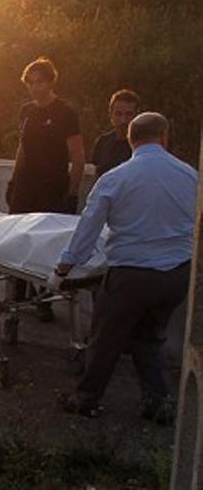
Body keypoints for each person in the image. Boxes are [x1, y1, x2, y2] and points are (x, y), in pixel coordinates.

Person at [50, 112, 196, 424]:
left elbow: (88, 228)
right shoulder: (190, 175)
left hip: (132, 275)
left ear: (130, 139)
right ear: (164, 137)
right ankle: (159, 402)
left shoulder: (116, 178)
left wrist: (64, 268)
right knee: (148, 336)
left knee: (105, 339)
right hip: (176, 275)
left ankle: (85, 399)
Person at [6, 57, 86, 322]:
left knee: (46, 244)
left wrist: (73, 192)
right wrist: (13, 180)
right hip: (25, 186)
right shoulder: (26, 111)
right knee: (18, 238)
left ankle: (44, 299)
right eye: (30, 82)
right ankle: (15, 296)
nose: (35, 87)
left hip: (53, 187)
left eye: (40, 81)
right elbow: (22, 148)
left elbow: (77, 155)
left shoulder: (66, 113)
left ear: (51, 81)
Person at [91, 89, 141, 178]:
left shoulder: (144, 145)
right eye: (118, 114)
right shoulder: (102, 142)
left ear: (137, 115)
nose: (123, 120)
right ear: (110, 115)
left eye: (128, 114)